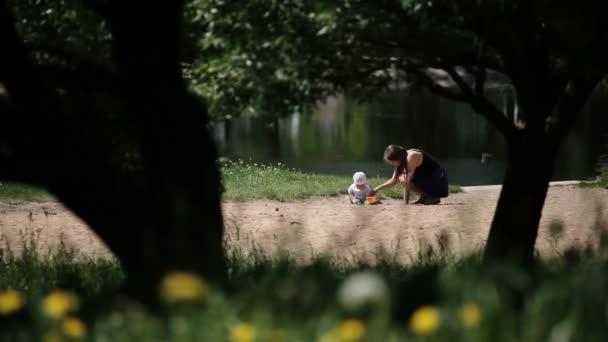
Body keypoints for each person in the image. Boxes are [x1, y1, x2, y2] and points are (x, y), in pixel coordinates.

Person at [371, 145, 448, 205]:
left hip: (439, 181)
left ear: (398, 158)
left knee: (403, 178)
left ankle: (432, 197)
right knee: (401, 178)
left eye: (392, 162)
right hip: (429, 179)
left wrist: (405, 203)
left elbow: (406, 181)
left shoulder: (411, 157)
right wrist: (376, 189)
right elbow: (393, 180)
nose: (391, 164)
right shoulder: (402, 159)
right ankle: (425, 196)